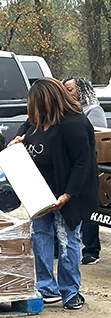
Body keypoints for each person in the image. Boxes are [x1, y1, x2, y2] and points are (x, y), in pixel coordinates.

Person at [11, 77, 97, 310]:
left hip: (66, 191)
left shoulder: (74, 124)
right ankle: (46, 287)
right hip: (38, 191)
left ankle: (70, 291)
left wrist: (67, 195)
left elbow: (82, 163)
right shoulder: (38, 119)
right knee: (39, 235)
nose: (33, 111)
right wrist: (18, 139)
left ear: (49, 101)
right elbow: (26, 127)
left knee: (68, 239)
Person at [63, 75, 105, 265]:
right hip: (70, 166)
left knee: (89, 209)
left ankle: (91, 250)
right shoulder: (67, 112)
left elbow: (96, 137)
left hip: (88, 166)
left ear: (81, 90)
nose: (67, 93)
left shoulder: (92, 110)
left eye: (70, 90)